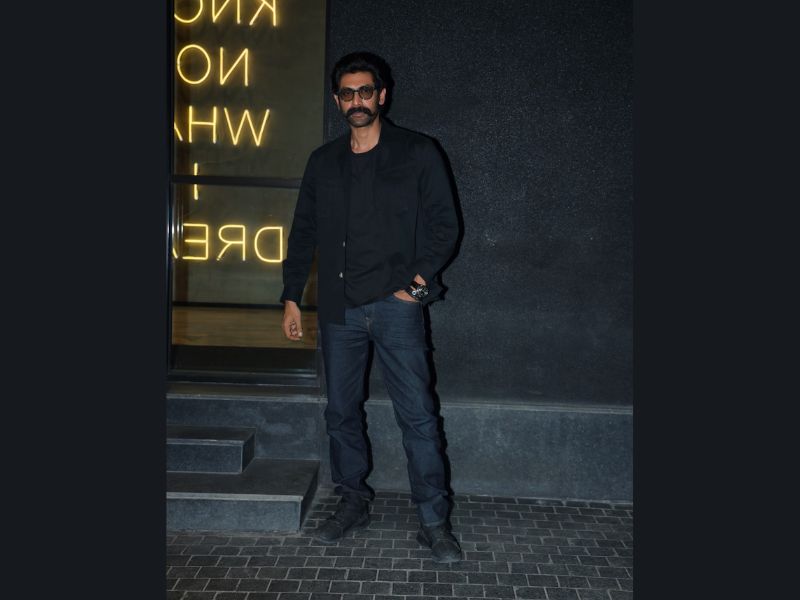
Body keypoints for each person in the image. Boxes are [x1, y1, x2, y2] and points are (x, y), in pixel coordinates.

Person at [280, 51, 461, 563]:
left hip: (397, 306)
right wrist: (292, 296)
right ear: (337, 100)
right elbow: (304, 233)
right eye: (347, 93)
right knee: (341, 413)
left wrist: (416, 290)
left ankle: (434, 520)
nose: (356, 100)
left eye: (365, 91)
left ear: (381, 95)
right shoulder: (324, 162)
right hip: (339, 308)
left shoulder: (418, 152)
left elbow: (446, 227)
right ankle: (353, 501)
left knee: (418, 415)